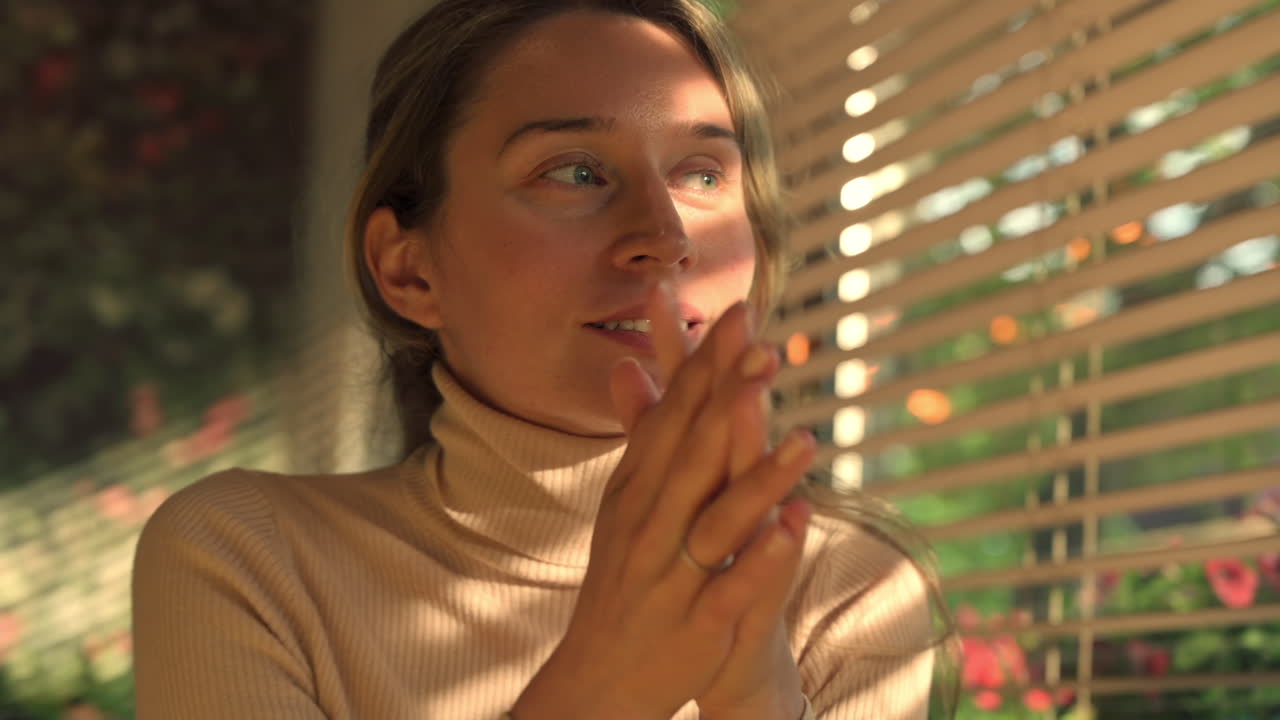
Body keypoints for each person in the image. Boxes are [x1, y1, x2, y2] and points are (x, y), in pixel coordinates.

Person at [131, 1, 953, 718]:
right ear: (410, 271)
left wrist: (758, 705)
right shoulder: (247, 558)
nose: (665, 240)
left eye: (704, 172)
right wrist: (607, 687)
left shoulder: (849, 595)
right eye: (576, 171)